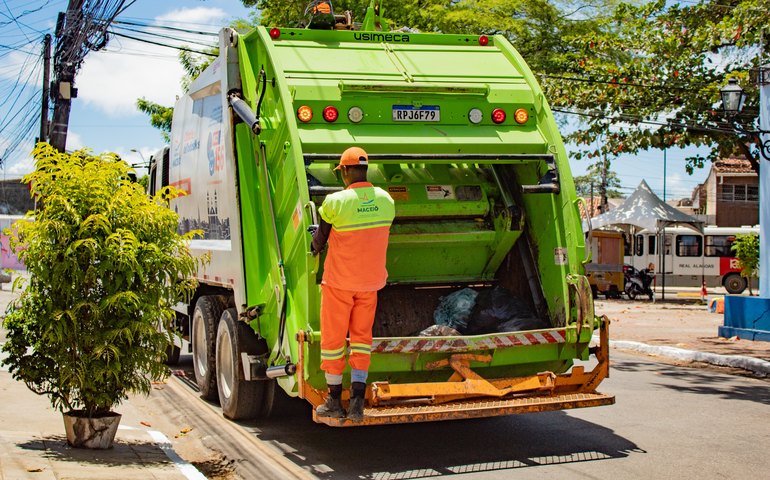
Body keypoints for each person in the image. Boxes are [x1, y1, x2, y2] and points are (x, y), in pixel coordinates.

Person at [310, 146, 395, 420]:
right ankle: (358, 400)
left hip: (339, 285)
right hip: (370, 284)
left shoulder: (337, 202)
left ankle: (334, 400)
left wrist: (312, 247)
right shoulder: (386, 200)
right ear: (365, 170)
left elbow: (320, 238)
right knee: (361, 341)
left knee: (334, 341)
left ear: (345, 171)